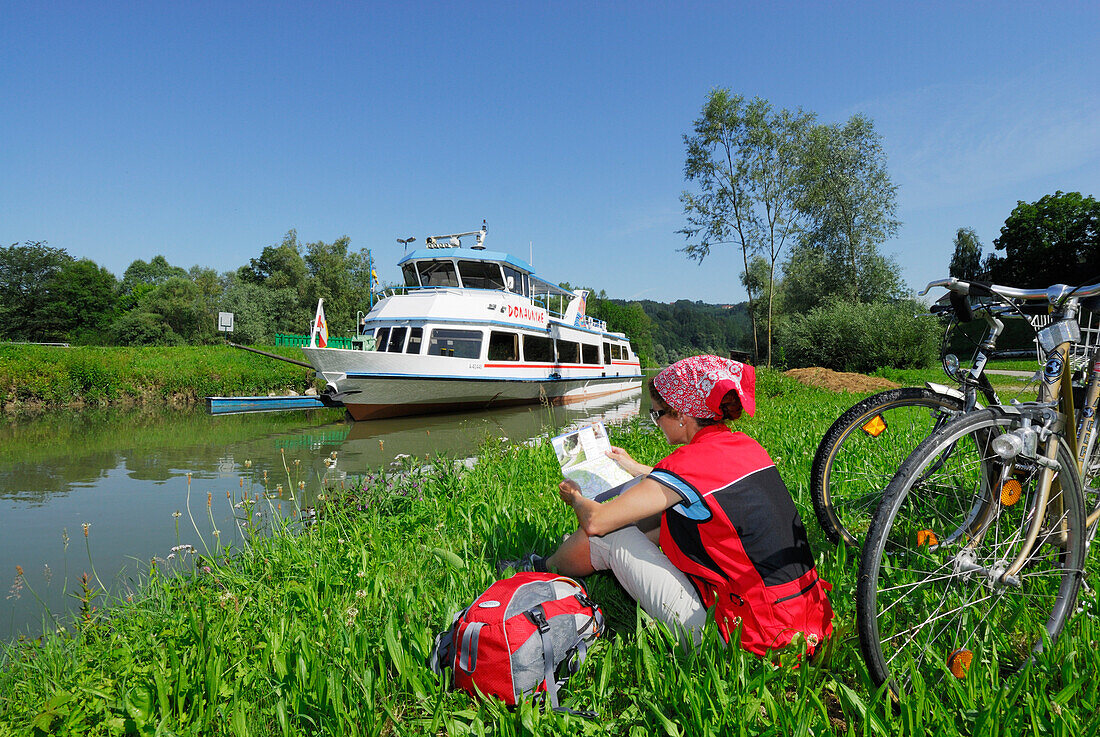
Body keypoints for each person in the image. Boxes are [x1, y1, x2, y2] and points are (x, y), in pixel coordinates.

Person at [502, 355, 833, 656]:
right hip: (803, 621)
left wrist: (575, 496)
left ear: (683, 416)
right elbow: (697, 487)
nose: (656, 422)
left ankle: (540, 568)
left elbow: (596, 522)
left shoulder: (687, 463)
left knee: (612, 535)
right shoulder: (744, 447)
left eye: (658, 414)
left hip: (749, 641)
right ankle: (552, 564)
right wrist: (635, 468)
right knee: (659, 515)